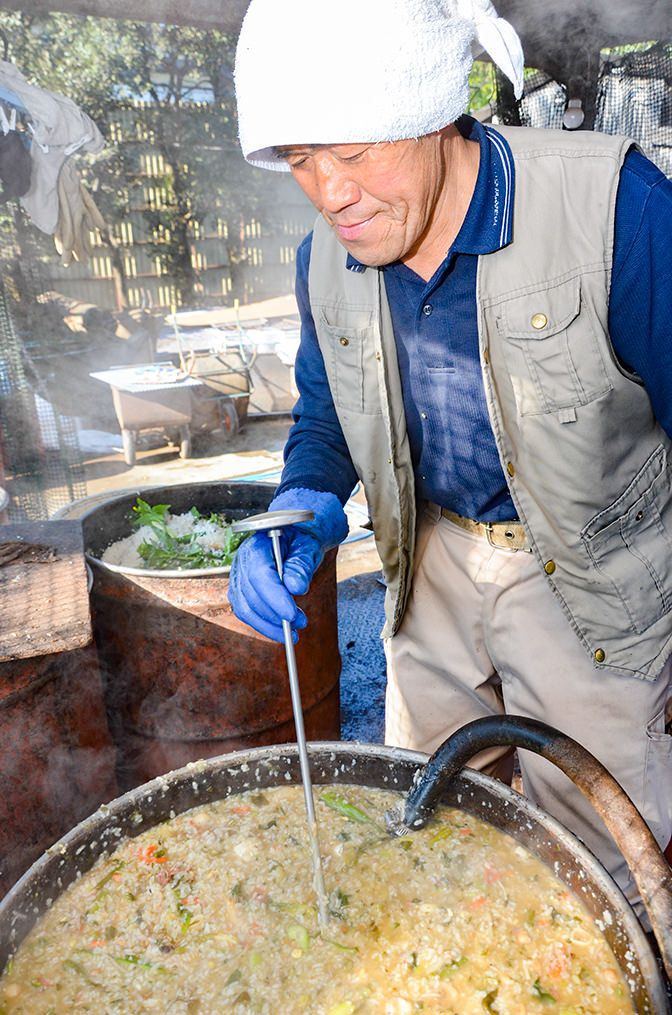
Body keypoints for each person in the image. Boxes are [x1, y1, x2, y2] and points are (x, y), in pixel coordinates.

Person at [229, 0, 672, 921]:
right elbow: (326, 410)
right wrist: (303, 501)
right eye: (301, 161)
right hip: (430, 560)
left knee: (603, 862)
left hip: (590, 572)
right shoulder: (327, 255)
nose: (329, 192)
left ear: (433, 110)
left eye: (350, 153)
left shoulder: (614, 211)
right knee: (420, 825)